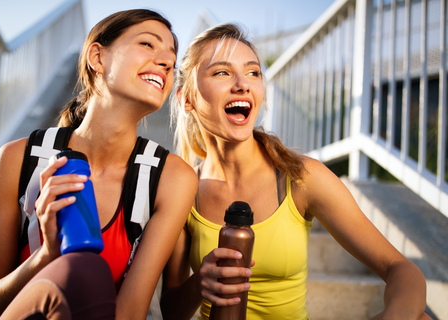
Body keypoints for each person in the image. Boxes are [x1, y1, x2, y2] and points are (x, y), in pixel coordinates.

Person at [160, 23, 431, 320]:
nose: (243, 84)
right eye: (222, 72)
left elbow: (400, 268)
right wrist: (200, 284)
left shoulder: (300, 177)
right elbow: (170, 311)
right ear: (186, 98)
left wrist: (396, 316)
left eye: (253, 72)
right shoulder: (185, 187)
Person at [0, 9, 197, 320]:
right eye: (148, 44)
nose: (166, 61)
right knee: (86, 267)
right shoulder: (18, 159)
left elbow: (130, 312)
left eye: (172, 59)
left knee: (88, 270)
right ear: (97, 57)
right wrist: (46, 255)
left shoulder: (171, 177)